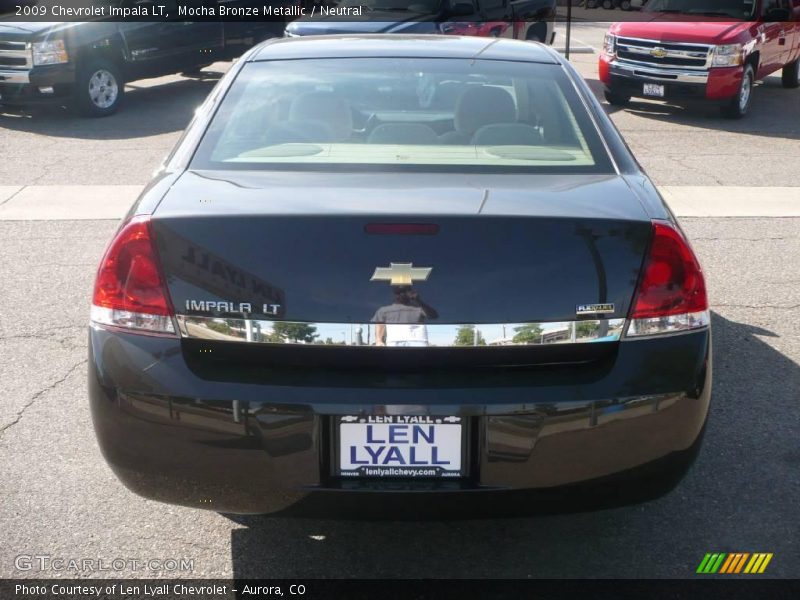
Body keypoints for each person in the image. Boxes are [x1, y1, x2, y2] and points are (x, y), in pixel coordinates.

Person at [372, 286, 438, 347]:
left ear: (410, 293)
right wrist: (378, 340)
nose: (401, 294)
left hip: (418, 341)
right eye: (398, 292)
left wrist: (418, 301)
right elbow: (380, 324)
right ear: (394, 295)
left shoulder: (420, 308)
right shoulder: (383, 310)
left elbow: (433, 316)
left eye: (404, 292)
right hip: (394, 341)